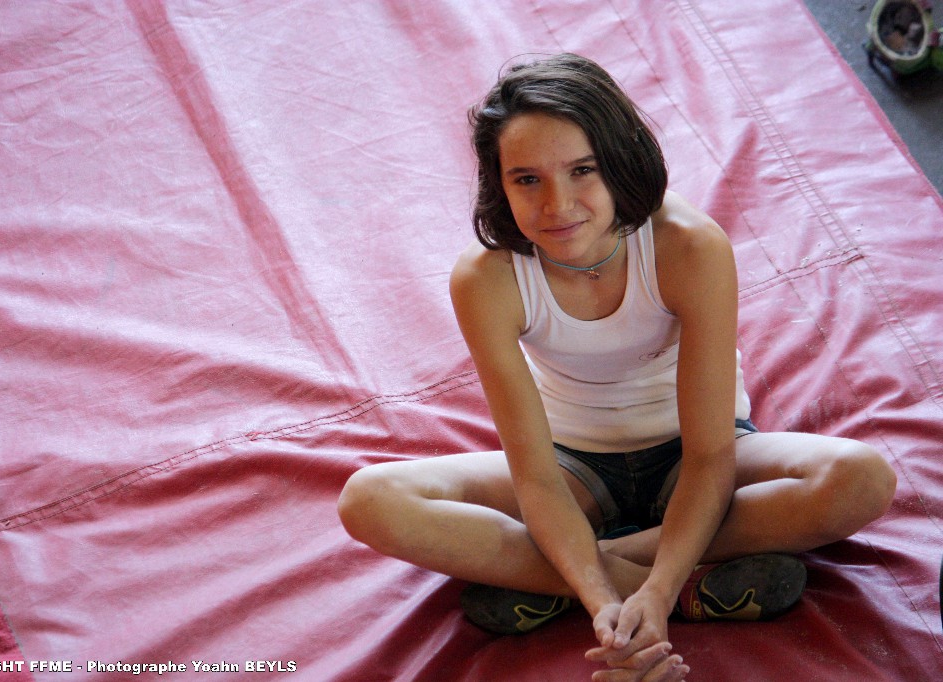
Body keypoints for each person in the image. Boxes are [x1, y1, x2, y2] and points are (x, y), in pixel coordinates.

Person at [337, 53, 896, 681]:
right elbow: (536, 478)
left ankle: (560, 576)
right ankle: (678, 587)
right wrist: (612, 601)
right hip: (572, 468)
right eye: (527, 180)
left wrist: (644, 586)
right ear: (499, 185)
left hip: (699, 454)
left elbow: (710, 455)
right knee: (370, 500)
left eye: (583, 170)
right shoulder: (486, 279)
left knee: (861, 479)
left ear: (620, 160)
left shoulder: (688, 246)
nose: (558, 205)